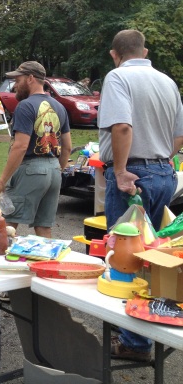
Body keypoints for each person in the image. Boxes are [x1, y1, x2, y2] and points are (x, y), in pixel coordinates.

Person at [98, 29, 183, 362]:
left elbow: (122, 126)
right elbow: (179, 134)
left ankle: (134, 342)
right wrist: (160, 159)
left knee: (125, 256)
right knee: (152, 256)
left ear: (114, 54)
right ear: (144, 52)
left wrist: (120, 171)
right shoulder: (167, 82)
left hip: (133, 176)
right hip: (163, 174)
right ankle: (148, 325)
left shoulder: (118, 77)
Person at [0, 61, 72, 239]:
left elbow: (20, 146)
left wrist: (2, 181)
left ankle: (0, 257)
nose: (15, 86)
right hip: (54, 170)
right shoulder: (59, 107)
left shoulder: (25, 106)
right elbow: (67, 147)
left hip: (31, 170)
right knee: (44, 227)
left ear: (30, 78)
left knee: (7, 224)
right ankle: (46, 258)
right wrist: (57, 169)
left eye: (18, 80)